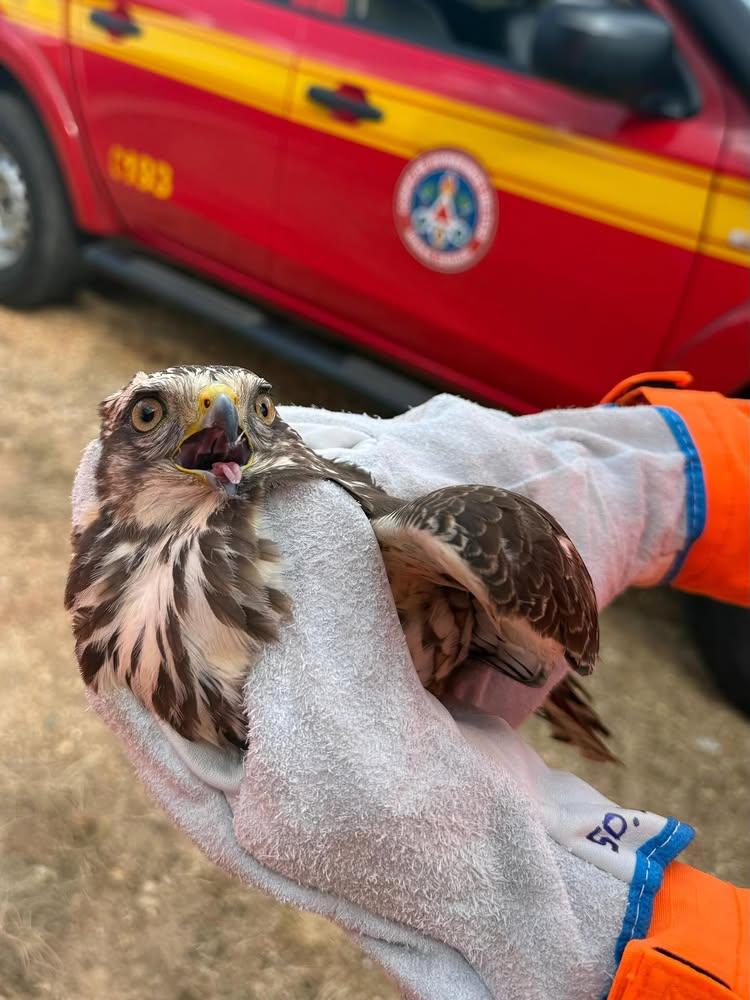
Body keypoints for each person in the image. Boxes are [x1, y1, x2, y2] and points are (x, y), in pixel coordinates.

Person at [72, 370, 749, 1000]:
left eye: (261, 409)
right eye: (151, 414)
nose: (220, 418)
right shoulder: (109, 599)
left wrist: (628, 938)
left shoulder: (388, 536)